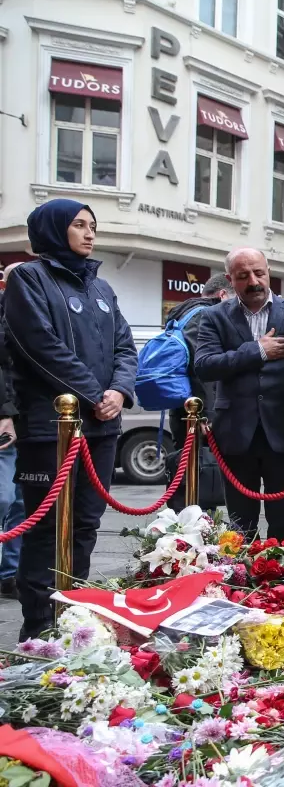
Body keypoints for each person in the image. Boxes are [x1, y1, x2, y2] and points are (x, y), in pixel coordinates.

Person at [6, 199, 136, 640]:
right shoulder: (28, 278)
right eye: (79, 225)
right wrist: (95, 393)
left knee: (85, 523)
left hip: (101, 427)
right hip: (50, 428)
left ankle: (73, 613)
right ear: (53, 229)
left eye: (92, 226)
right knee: (46, 526)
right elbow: (38, 344)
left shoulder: (101, 288)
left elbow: (125, 346)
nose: (89, 233)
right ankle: (39, 626)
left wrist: (118, 391)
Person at [194, 249, 284, 542]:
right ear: (231, 280)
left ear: (269, 271)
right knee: (240, 524)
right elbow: (204, 365)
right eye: (243, 276)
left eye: (259, 273)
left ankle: (283, 581)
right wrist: (258, 350)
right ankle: (243, 582)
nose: (253, 281)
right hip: (234, 432)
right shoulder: (213, 316)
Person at [163, 274, 230, 513]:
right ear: (223, 294)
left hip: (182, 406)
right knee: (202, 472)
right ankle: (198, 532)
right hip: (196, 410)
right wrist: (206, 413)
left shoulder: (181, 313)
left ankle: (194, 524)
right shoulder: (204, 315)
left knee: (191, 469)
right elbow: (201, 367)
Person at [0, 263, 25, 597]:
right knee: (4, 497)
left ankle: (10, 574)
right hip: (6, 421)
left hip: (28, 422)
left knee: (20, 503)